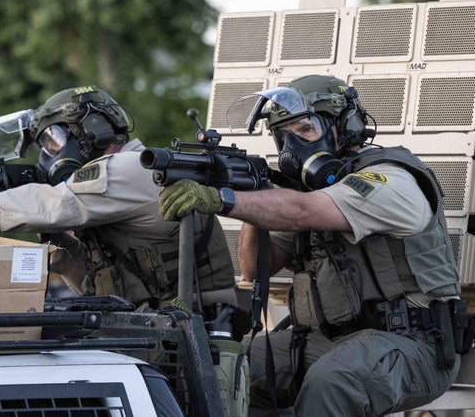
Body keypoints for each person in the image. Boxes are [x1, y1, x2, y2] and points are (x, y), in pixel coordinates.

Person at [158, 75, 466, 415]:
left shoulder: (390, 179)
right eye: (284, 135)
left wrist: (224, 198)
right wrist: (252, 193)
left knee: (334, 380)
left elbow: (304, 211)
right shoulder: (310, 193)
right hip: (325, 340)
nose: (293, 145)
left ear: (343, 126)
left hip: (414, 343)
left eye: (305, 130)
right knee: (222, 367)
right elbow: (254, 266)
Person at [0, 85, 238, 316]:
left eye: (53, 140)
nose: (48, 155)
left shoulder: (132, 168)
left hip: (199, 335)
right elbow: (112, 286)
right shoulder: (111, 195)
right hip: (166, 327)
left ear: (93, 131)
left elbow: (53, 204)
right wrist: (66, 256)